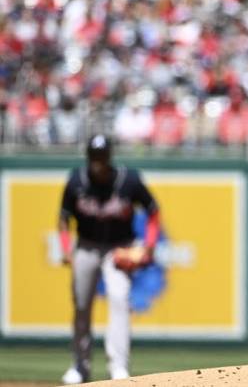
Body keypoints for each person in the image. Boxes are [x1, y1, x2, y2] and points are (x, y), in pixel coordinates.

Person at [59, 134, 161, 384]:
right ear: (88, 158)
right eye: (95, 157)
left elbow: (153, 211)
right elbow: (63, 219)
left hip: (119, 249)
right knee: (82, 305)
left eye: (102, 157)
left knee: (119, 300)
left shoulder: (129, 180)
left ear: (109, 157)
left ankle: (118, 368)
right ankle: (80, 366)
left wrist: (148, 245)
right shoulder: (77, 181)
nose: (98, 162)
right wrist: (65, 248)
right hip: (86, 247)